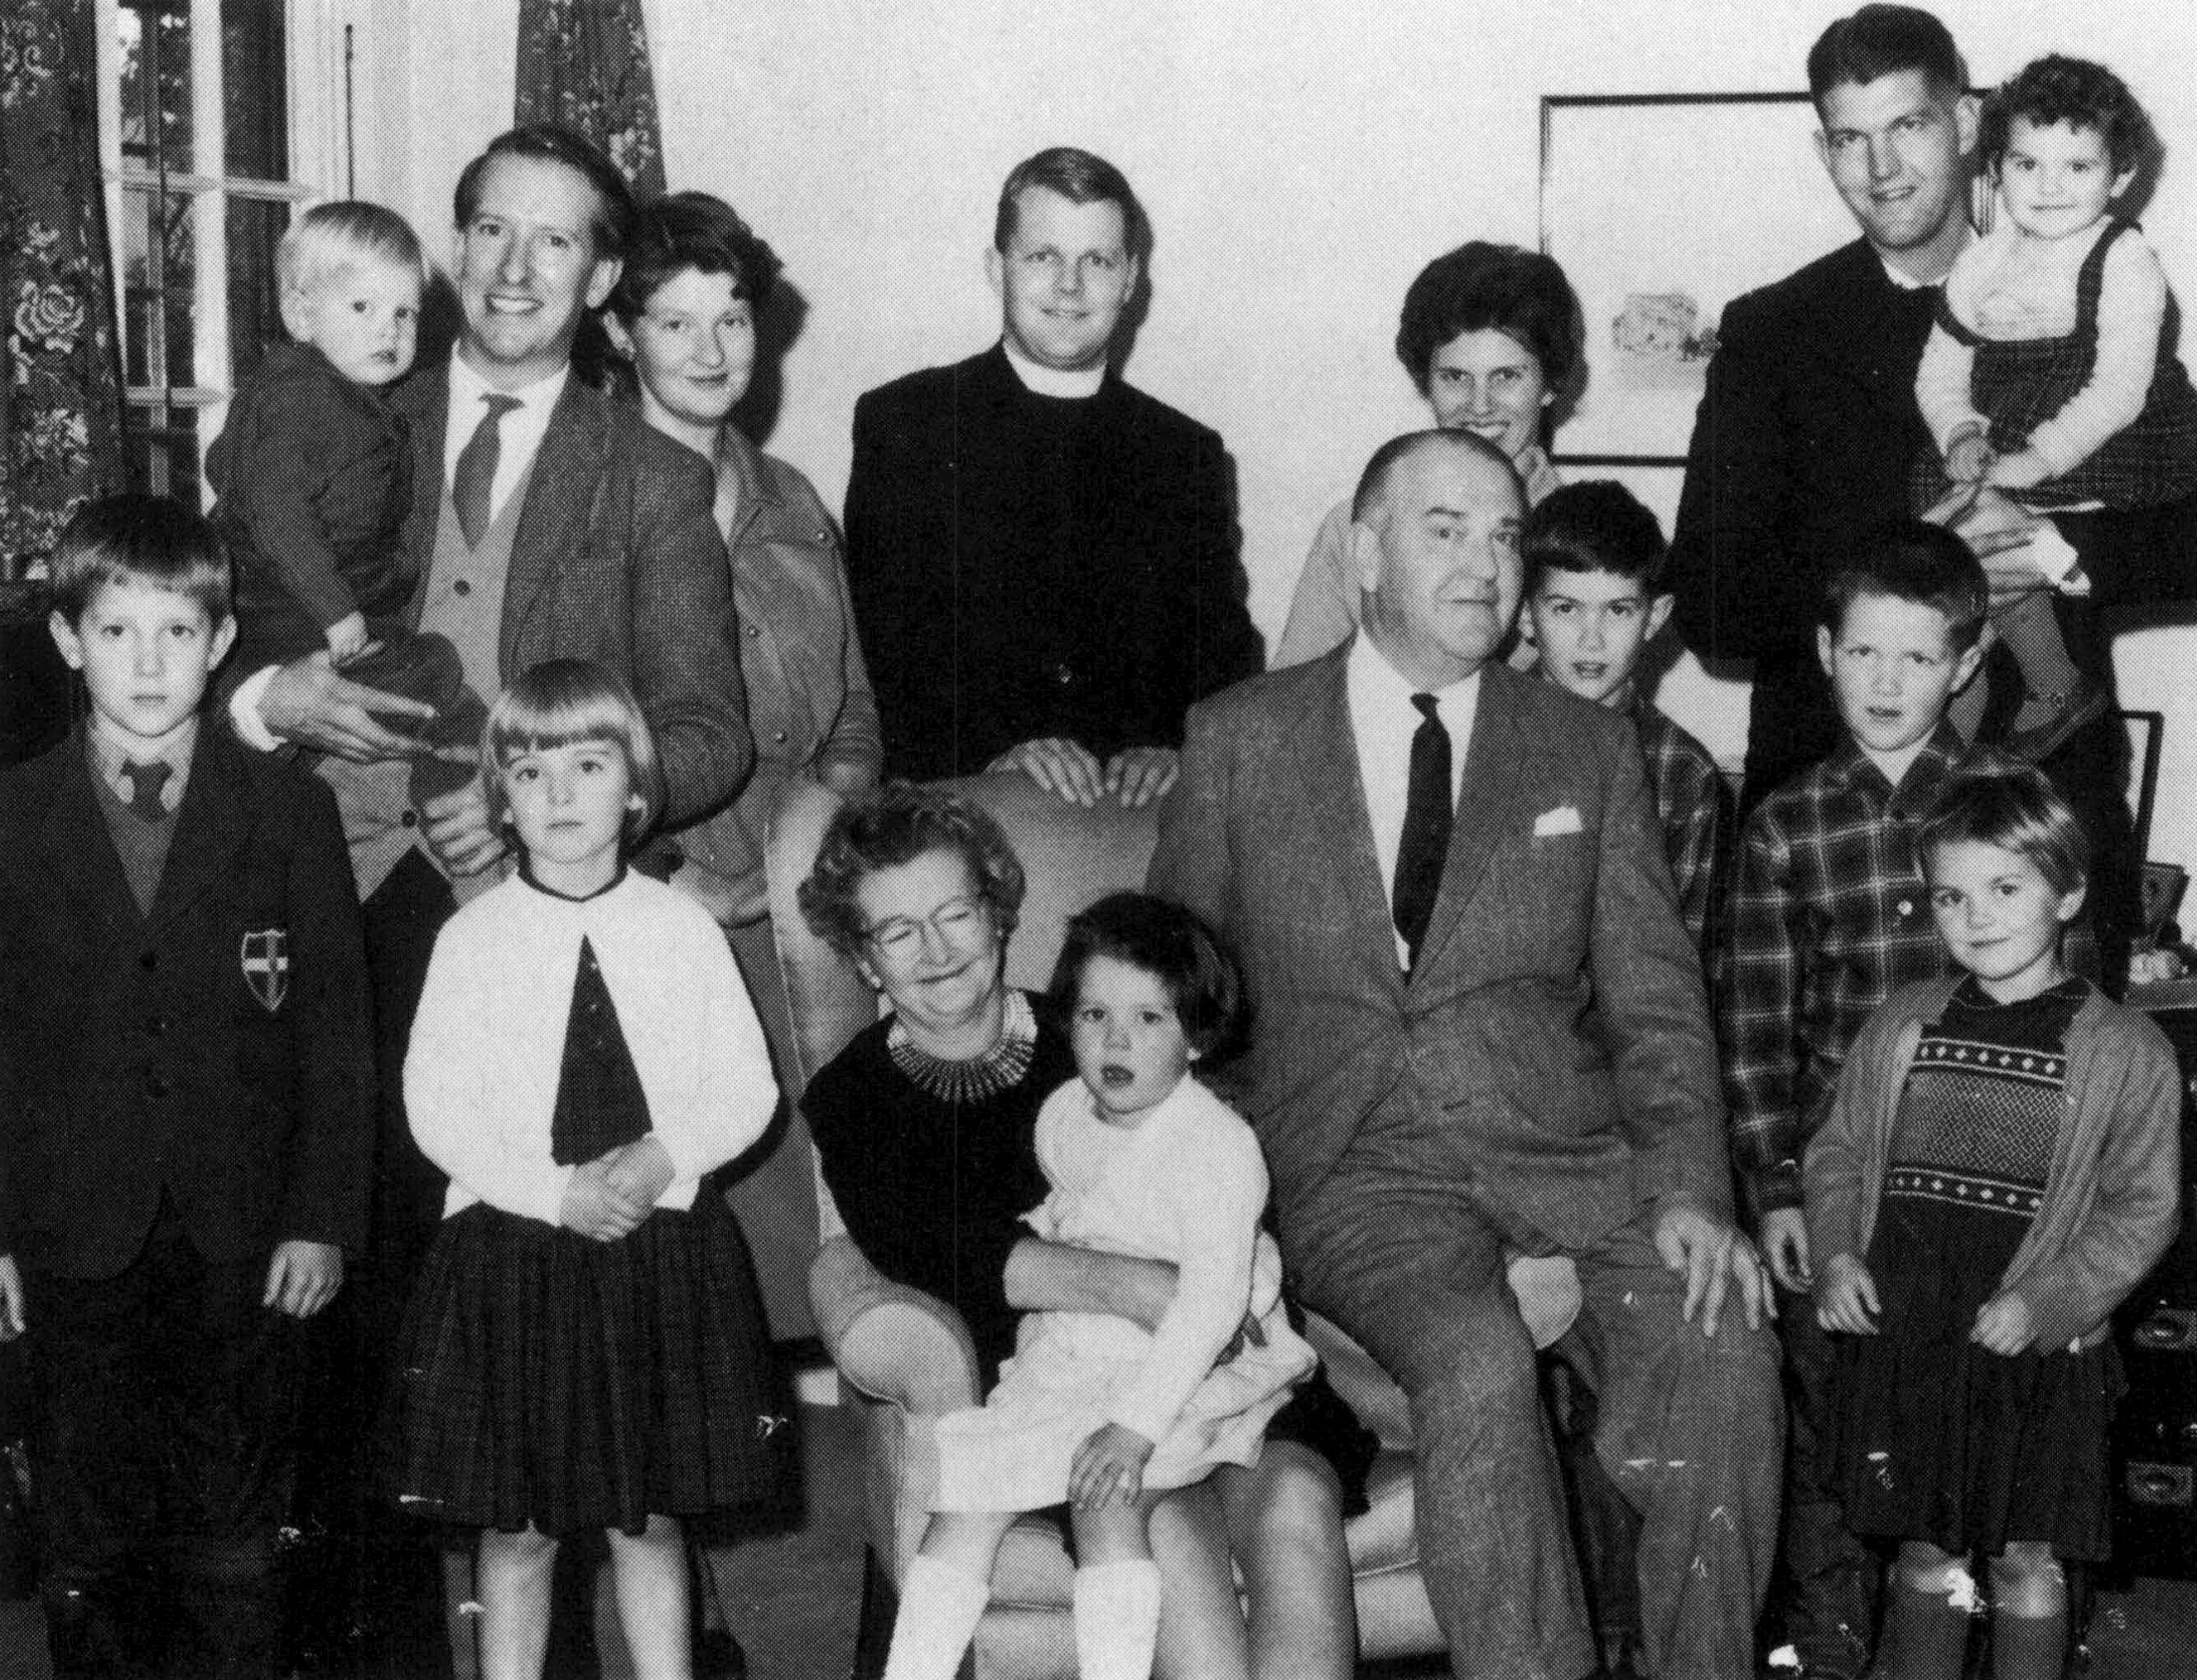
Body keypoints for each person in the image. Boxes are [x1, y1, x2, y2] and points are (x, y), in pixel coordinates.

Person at [226, 123, 750, 1658]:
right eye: (491, 233)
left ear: (601, 281)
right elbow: (196, 636)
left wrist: (540, 787)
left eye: (560, 241)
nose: (517, 269)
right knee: (327, 1278)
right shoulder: (326, 405)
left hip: (532, 932)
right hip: (316, 883)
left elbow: (709, 731)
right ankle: (365, 1643)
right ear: (454, 251)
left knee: (543, 1326)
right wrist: (273, 699)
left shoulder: (650, 478)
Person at [1152, 427, 1780, 1680]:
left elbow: (1656, 1004)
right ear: (1363, 544)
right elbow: (1179, 1001)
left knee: (1726, 1344)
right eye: (1445, 527)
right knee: (1478, 1362)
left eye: (1504, 533)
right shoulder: (1242, 737)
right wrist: (1225, 1209)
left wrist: (1695, 1192)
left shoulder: (1584, 748)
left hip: (1564, 1144)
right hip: (1355, 1169)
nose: (1486, 563)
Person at [801, 784, 1371, 1680]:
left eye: (954, 912)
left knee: (1296, 1497)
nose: (937, 948)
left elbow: (1215, 1180)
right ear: (864, 960)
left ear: (997, 916)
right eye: (897, 931)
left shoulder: (1103, 1024)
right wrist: (1153, 1292)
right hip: (1062, 1392)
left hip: (1224, 1361)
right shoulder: (852, 1098)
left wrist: (1215, 1308)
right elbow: (944, 1252)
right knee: (1164, 1533)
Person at [1666, 4, 2191, 921]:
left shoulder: (2096, 284)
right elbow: (1713, 599)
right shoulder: (1771, 332)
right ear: (1821, 149)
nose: (1879, 169)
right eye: (1847, 139)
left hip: (2042, 832)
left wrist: (2057, 552)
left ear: (1960, 124)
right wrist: (1911, 555)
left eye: (1906, 127)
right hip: (1831, 847)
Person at [0, 495, 372, 1679]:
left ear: (220, 643)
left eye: (176, 631)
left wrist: (321, 1215)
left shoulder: (288, 812)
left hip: (246, 1233)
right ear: (67, 639)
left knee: (236, 1536)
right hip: (71, 1234)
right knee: (91, 1538)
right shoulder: (12, 817)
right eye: (117, 631)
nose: (148, 662)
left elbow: (337, 1037)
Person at [1722, 521, 2093, 1679]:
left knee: (1983, 1431)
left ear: (1968, 662)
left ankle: (1998, 1634)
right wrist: (1779, 1191)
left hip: (1989, 1189)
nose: (1887, 683)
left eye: (1919, 659)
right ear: (1826, 650)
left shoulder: (2011, 805)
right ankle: (1839, 1647)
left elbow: (2070, 1019)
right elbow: (1752, 1034)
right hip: (1843, 1199)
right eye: (1864, 653)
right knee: (1838, 1431)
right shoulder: (1787, 822)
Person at [388, 660, 783, 1680]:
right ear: (503, 802)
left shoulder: (681, 927)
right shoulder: (472, 938)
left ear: (635, 789)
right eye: (530, 774)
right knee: (519, 1528)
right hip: (517, 1259)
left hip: (656, 1254)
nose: (560, 795)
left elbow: (746, 1090)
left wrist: (660, 1158)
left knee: (647, 1517)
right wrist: (554, 1190)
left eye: (588, 765)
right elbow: (437, 1108)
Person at [880, 893, 1316, 1680]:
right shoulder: (1062, 1114)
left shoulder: (1218, 1146)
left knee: (1106, 1504)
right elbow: (1074, 1208)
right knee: (963, 1505)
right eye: (1092, 1015)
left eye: (1150, 1019)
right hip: (1076, 1347)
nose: (1116, 1040)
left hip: (1181, 1362)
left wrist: (1131, 1427)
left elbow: (1208, 1305)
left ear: (1196, 1036)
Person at [1805, 765, 2180, 1680]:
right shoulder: (1903, 1022)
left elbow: (2144, 1208)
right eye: (1950, 895)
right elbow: (1838, 1153)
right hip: (1914, 1340)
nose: (1975, 916)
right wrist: (1836, 1252)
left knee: (2027, 1558)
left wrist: (2051, 1299)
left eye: (2005, 888)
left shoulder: (2125, 1047)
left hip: (2036, 1354)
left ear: (2070, 891)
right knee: (1927, 1552)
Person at [603, 188, 881, 1341]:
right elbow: (552, 738)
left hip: (809, 901)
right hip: (655, 904)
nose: (712, 351)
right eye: (675, 322)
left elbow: (858, 706)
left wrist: (825, 813)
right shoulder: (587, 506)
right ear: (620, 335)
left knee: (843, 1228)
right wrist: (681, 883)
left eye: (732, 318)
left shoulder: (792, 498)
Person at [842, 146, 1260, 807]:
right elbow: (884, 643)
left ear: (1129, 281)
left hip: (1134, 815)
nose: (1070, 285)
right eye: (1043, 257)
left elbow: (1222, 651)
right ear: (995, 267)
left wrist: (1176, 746)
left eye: (1096, 261)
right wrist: (996, 752)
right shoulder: (908, 423)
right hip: (961, 799)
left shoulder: (1185, 452)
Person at [1912, 55, 2197, 758]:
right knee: (1958, 519)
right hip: (2008, 433)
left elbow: (2119, 390)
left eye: (2076, 167)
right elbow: (1939, 370)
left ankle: (2038, 680)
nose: (2047, 187)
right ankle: (2002, 677)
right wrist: (1959, 431)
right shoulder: (1980, 262)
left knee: (2009, 531)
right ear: (1993, 169)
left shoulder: (2124, 261)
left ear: (2120, 178)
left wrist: (2038, 458)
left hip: (2101, 436)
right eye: (2025, 164)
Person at [206, 200, 484, 810]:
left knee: (419, 677)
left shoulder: (333, 394)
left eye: (404, 313)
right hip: (286, 605)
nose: (389, 330)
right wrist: (335, 611)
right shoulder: (303, 397)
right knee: (435, 678)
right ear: (302, 315)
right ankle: (449, 793)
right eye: (362, 308)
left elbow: (227, 462)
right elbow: (276, 510)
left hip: (311, 604)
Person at [1277, 240, 1580, 667]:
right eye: (1456, 376)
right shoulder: (1358, 526)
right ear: (1427, 383)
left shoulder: (1580, 540)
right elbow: (1293, 700)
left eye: (1506, 377)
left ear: (1549, 386)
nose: (1479, 405)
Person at [1520, 480, 1728, 954]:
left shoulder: (1682, 770)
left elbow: (1679, 953)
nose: (1591, 640)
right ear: (1526, 617)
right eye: (1566, 608)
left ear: (1655, 618)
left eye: (1617, 610)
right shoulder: (1477, 731)